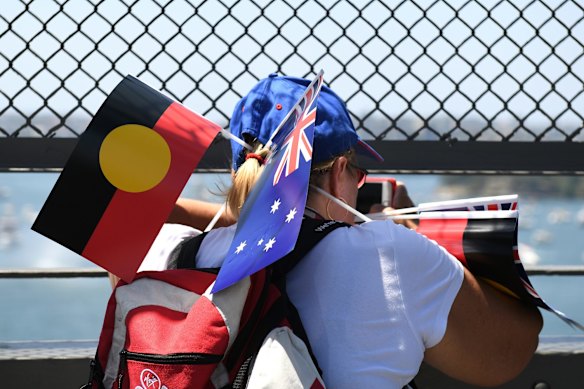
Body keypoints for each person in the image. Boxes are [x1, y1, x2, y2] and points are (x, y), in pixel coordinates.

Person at [140, 74, 542, 388]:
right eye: (358, 174)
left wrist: (248, 216)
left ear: (238, 172)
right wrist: (416, 232)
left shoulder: (166, 258)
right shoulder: (391, 256)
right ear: (337, 176)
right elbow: (508, 354)